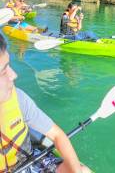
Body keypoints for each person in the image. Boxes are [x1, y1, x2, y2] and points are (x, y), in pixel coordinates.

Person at [0, 33, 91, 173]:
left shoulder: (18, 98)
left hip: (30, 159)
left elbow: (57, 135)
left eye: (9, 65)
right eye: (3, 71)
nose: (14, 75)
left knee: (82, 171)